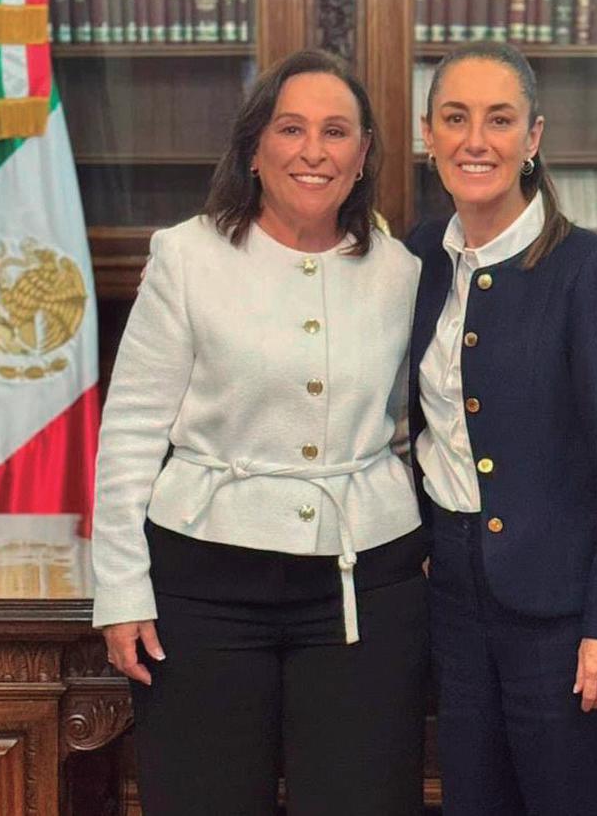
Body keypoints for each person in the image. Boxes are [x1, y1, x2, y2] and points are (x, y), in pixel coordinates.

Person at [91, 50, 428, 816]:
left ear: (363, 155)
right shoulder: (188, 256)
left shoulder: (401, 272)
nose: (314, 151)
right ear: (253, 147)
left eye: (336, 132)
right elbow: (132, 429)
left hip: (364, 586)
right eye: (291, 128)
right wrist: (120, 587)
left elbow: (420, 423)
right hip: (203, 584)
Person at [407, 41, 597, 815]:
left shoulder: (589, 268)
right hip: (452, 602)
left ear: (533, 138)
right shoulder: (417, 258)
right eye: (456, 118)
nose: (475, 140)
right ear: (428, 134)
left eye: (499, 119)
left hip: (563, 613)